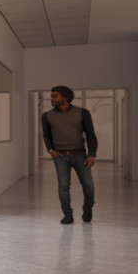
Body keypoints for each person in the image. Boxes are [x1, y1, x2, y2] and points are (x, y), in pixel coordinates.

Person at [41, 85, 99, 224]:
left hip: (80, 155)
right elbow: (46, 136)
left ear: (65, 97)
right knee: (63, 185)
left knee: (88, 185)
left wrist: (92, 155)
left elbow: (91, 135)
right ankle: (68, 215)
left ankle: (88, 207)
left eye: (55, 96)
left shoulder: (82, 113)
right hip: (60, 157)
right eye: (51, 96)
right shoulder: (47, 116)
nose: (52, 99)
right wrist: (50, 150)